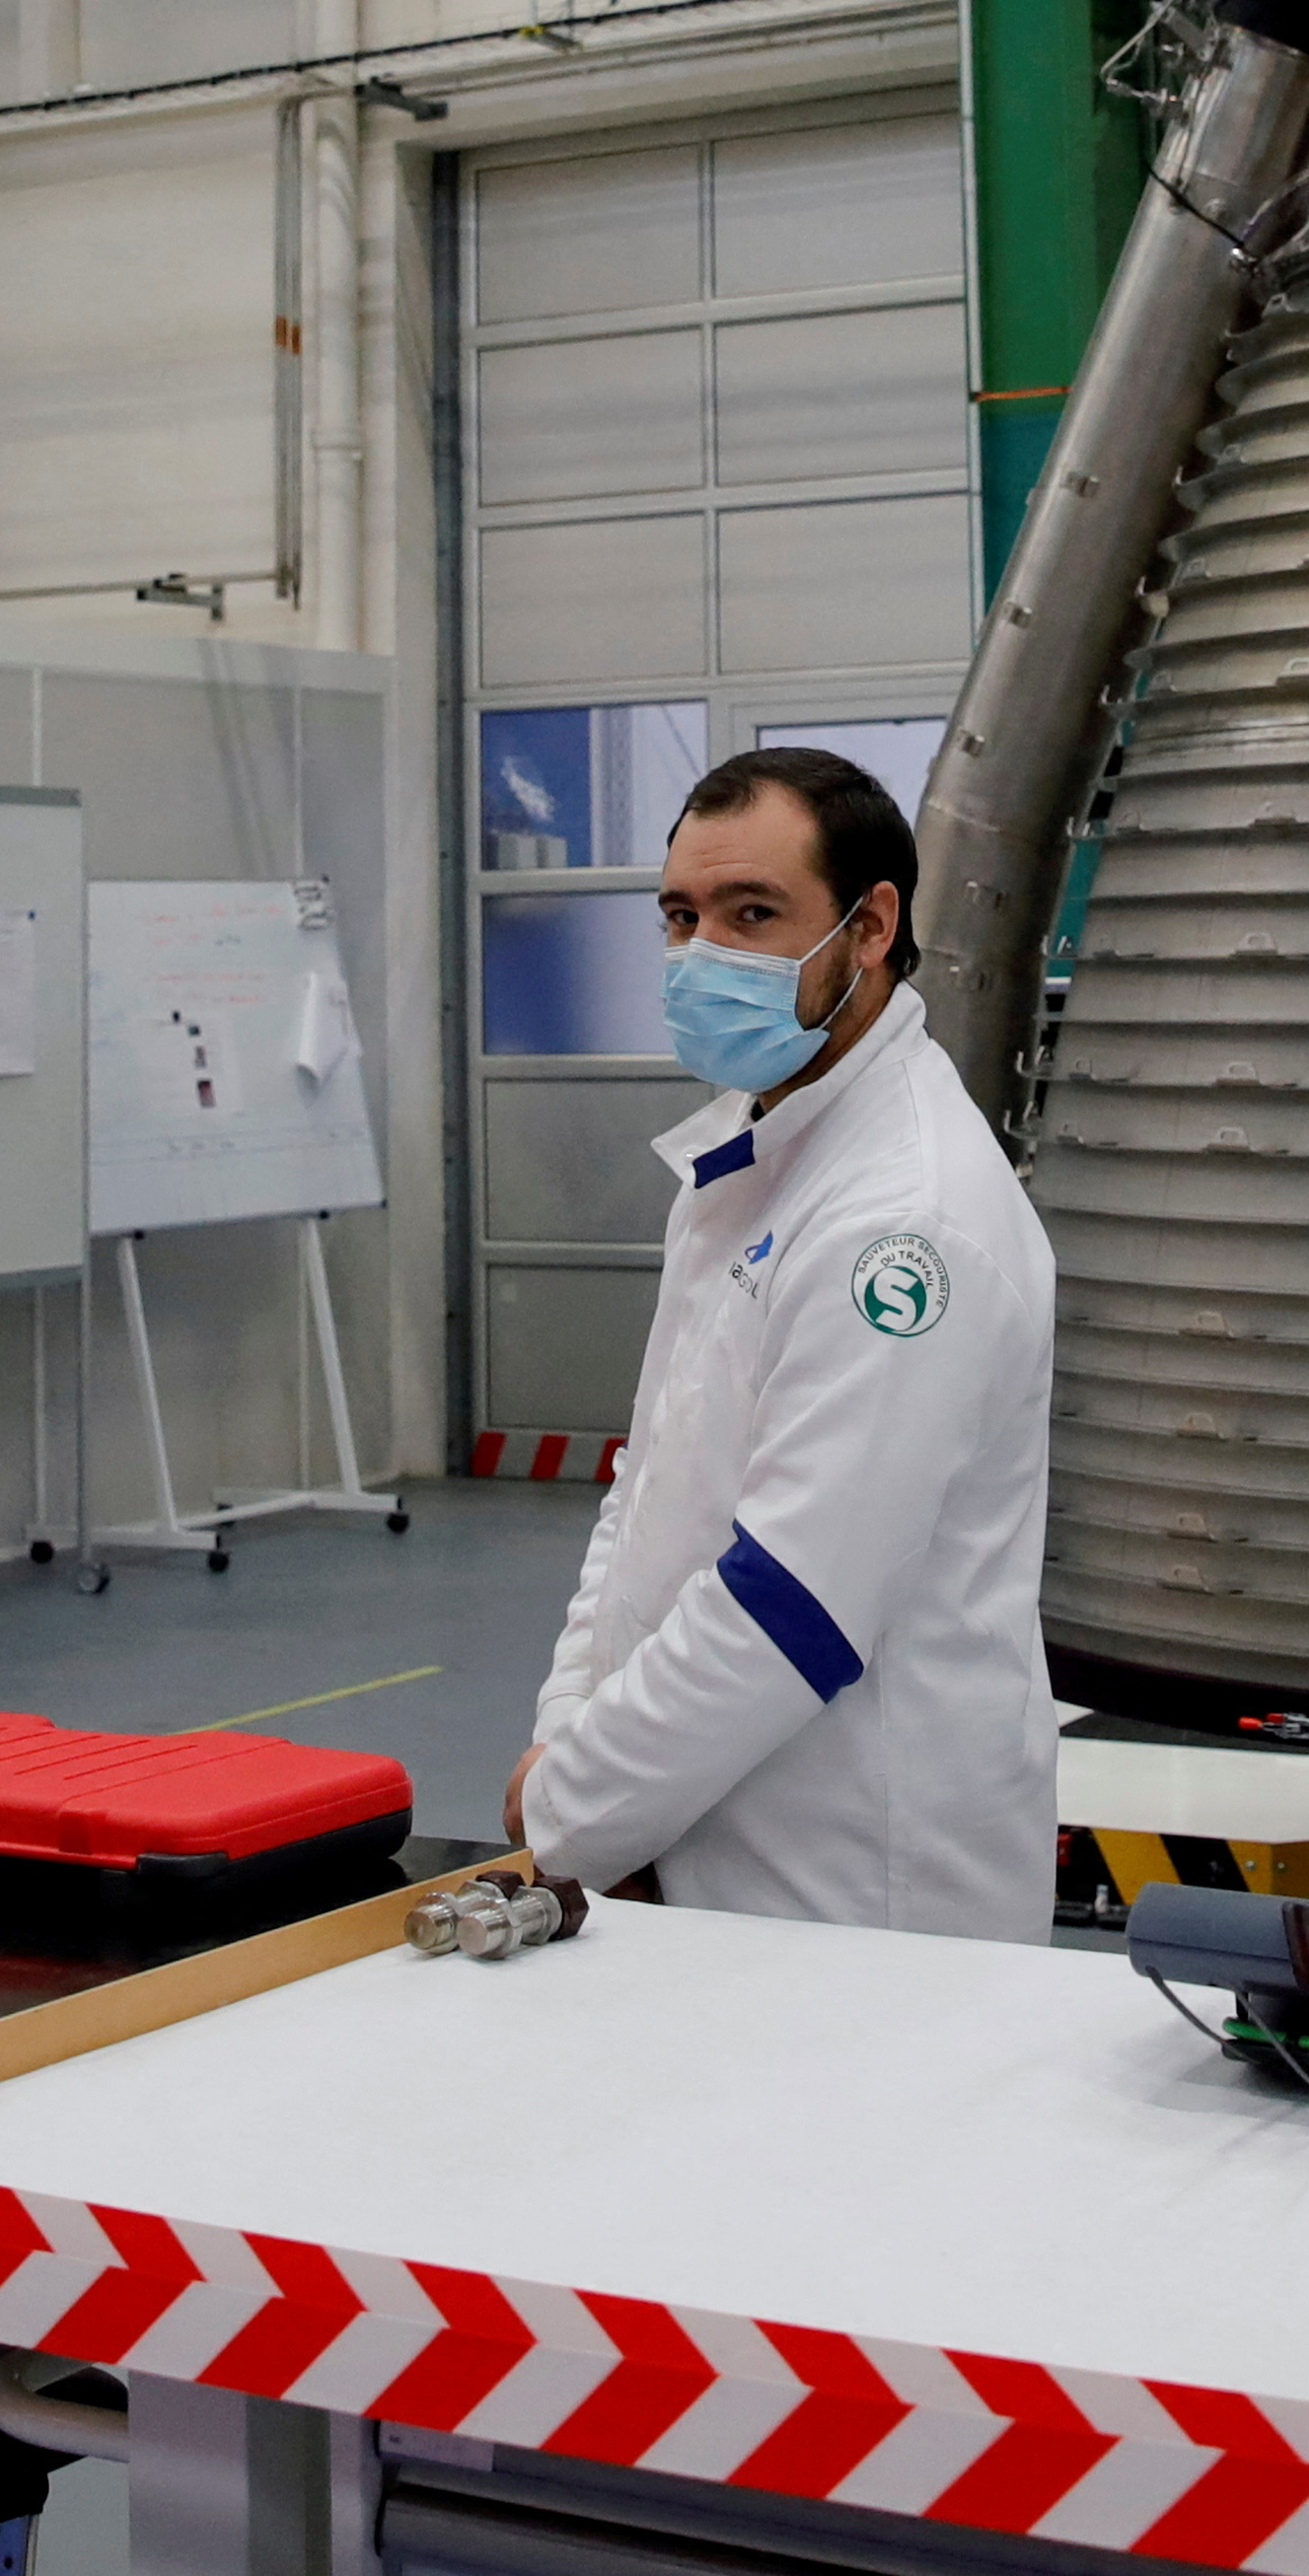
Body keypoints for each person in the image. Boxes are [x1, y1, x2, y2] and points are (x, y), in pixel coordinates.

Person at [507, 744, 1057, 1940]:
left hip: (857, 1885)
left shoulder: (903, 1223)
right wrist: (575, 1742)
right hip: (695, 1840)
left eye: (753, 914)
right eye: (682, 916)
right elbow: (647, 1492)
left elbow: (794, 1599)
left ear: (870, 927)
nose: (705, 955)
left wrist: (577, 1808)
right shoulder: (750, 1163)